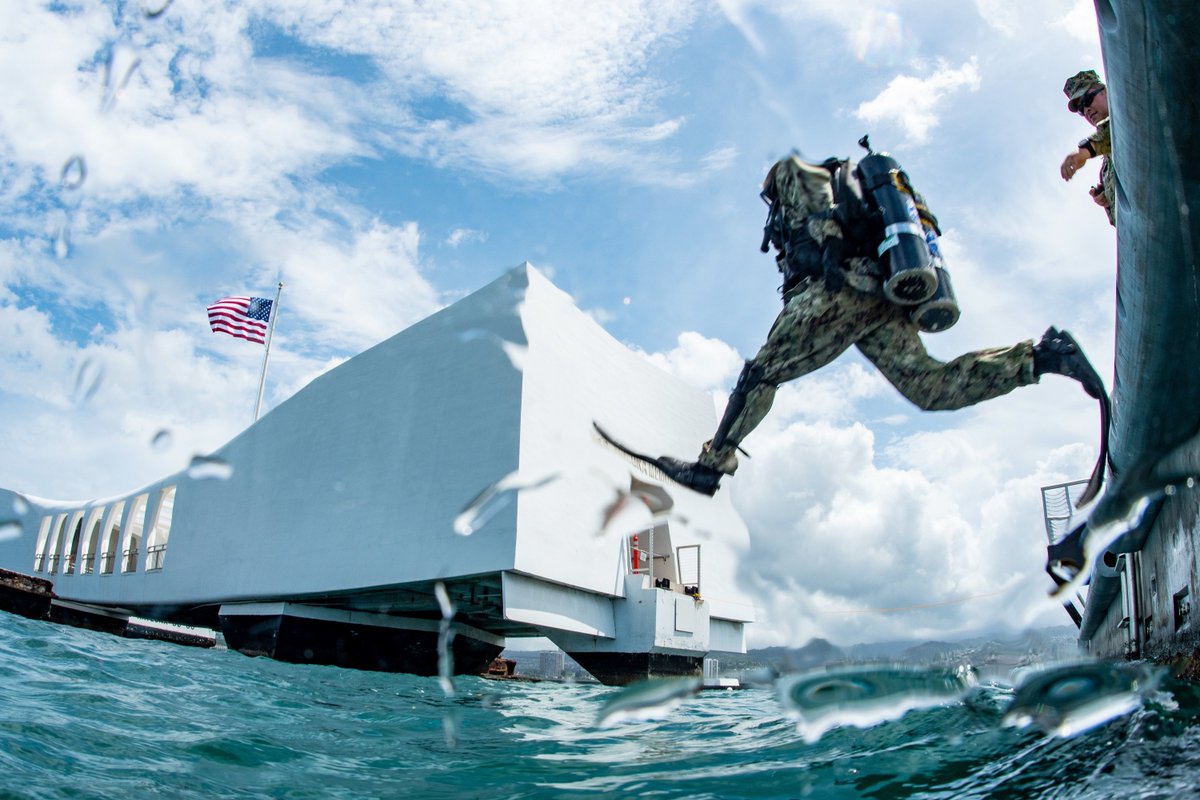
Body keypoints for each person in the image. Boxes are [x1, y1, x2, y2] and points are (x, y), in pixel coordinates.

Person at [645, 149, 1109, 498]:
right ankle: (1042, 357)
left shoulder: (791, 174)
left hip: (839, 291)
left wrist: (827, 253)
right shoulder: (850, 192)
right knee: (930, 387)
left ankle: (710, 467)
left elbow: (817, 212)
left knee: (762, 373)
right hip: (880, 301)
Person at [1059, 69, 1115, 226]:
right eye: (1081, 110)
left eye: (1087, 100)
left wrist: (1084, 152)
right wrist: (1108, 199)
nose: (1086, 110)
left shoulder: (1134, 108)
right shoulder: (1107, 164)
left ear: (1105, 90)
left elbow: (1113, 130)